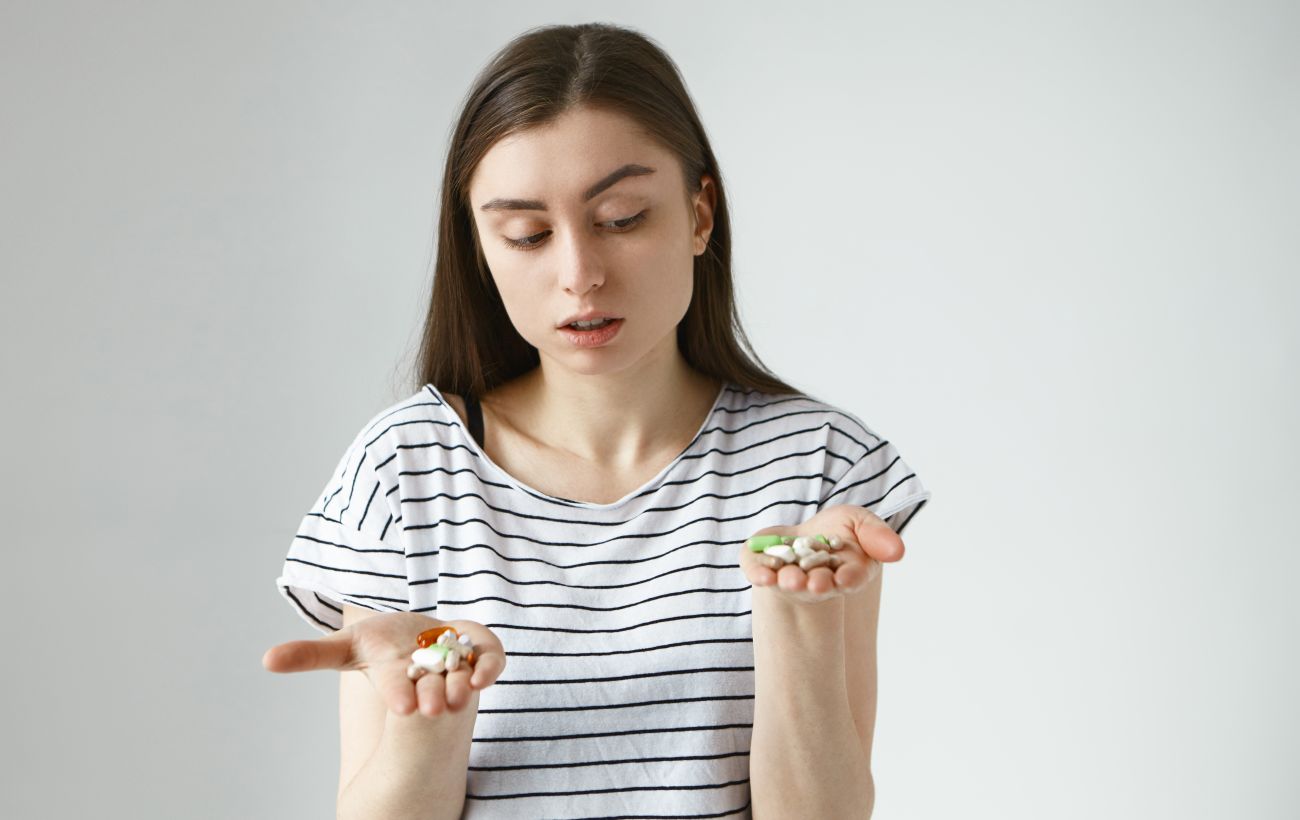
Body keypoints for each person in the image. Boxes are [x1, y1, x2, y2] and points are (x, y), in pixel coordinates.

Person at [261, 22, 931, 820]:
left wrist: (797, 613)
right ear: (481, 249)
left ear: (699, 214)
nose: (579, 274)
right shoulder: (403, 469)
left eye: (620, 218)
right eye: (528, 235)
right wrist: (428, 720)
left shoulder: (818, 465)